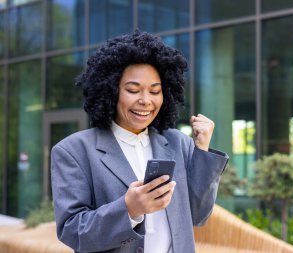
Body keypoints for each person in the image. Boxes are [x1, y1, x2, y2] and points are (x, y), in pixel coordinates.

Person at [50, 31, 229, 253]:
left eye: (155, 91)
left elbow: (198, 215)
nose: (145, 101)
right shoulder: (73, 151)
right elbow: (72, 231)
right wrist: (129, 210)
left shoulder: (176, 142)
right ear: (111, 90)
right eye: (133, 90)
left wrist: (202, 150)